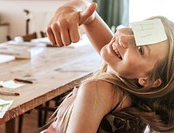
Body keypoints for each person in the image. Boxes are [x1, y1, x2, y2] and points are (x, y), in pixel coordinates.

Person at [44, 0, 174, 132]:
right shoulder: (128, 78)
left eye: (140, 49)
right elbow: (89, 15)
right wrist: (68, 8)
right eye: (133, 31)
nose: (123, 37)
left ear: (149, 80)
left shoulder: (97, 90)